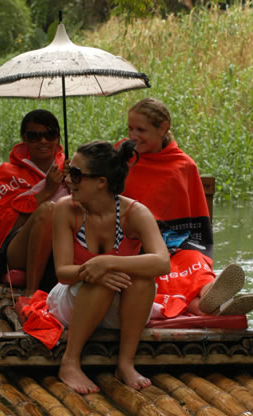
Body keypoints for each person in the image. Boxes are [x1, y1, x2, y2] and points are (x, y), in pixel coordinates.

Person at [47, 140, 170, 394]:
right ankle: (70, 362)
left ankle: (125, 363)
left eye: (77, 174)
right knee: (101, 278)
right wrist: (96, 268)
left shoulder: (135, 213)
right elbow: (63, 273)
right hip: (72, 301)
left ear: (101, 182)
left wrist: (108, 262)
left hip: (123, 308)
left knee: (142, 278)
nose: (69, 179)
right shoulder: (66, 209)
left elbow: (162, 262)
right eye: (70, 171)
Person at [122, 98, 253, 317]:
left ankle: (210, 294)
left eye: (141, 130)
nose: (133, 136)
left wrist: (179, 246)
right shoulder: (120, 158)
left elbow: (195, 221)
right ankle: (219, 306)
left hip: (175, 241)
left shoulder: (183, 165)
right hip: (133, 243)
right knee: (161, 270)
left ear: (163, 128)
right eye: (130, 128)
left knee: (193, 261)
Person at [0, 109, 67, 296]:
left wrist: (75, 183)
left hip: (64, 243)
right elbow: (9, 224)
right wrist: (47, 191)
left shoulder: (70, 167)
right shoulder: (7, 173)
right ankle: (31, 293)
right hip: (16, 248)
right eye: (35, 136)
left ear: (58, 138)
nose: (43, 141)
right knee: (47, 211)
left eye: (49, 135)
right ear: (24, 139)